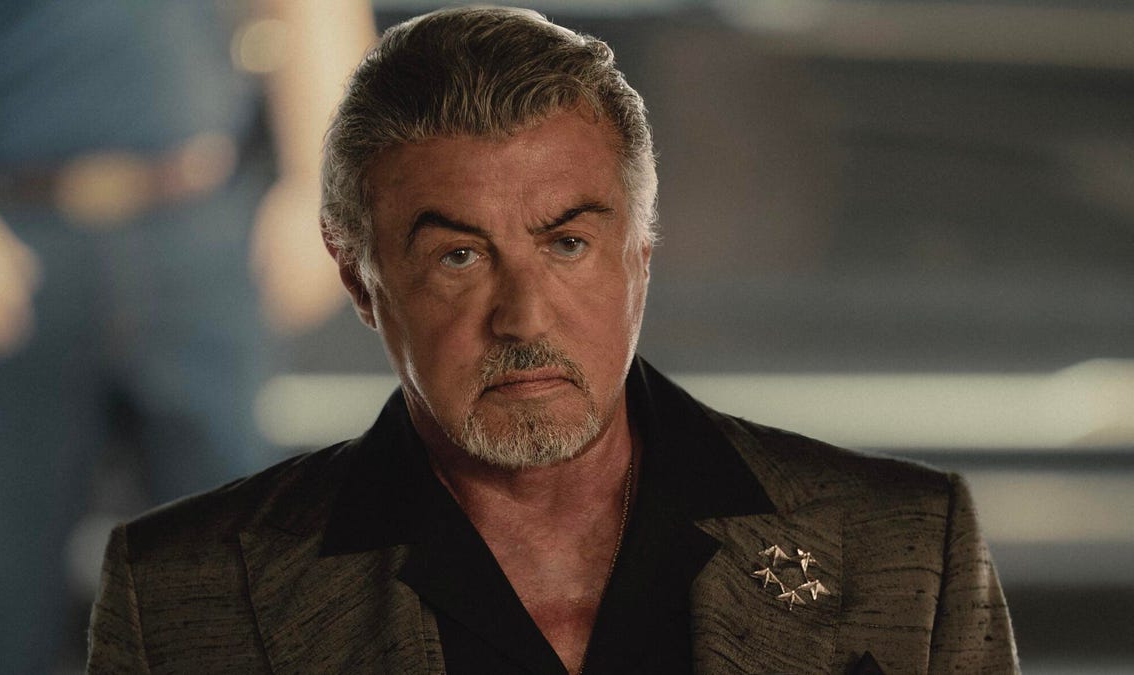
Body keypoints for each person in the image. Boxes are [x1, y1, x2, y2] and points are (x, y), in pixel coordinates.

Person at [87, 6, 1019, 673]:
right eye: (459, 256)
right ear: (360, 282)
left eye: (567, 243)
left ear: (641, 253)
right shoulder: (185, 595)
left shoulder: (907, 553)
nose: (524, 317)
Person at [0, 1, 374, 672]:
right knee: (0, 598)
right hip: (5, 242)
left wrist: (322, 182)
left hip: (199, 225)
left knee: (235, 596)